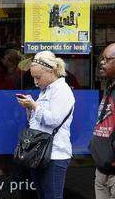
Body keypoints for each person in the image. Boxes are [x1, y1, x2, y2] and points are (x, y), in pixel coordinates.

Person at [16, 50, 74, 199]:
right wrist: (30, 108)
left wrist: (35, 106)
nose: (35, 82)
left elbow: (54, 120)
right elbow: (35, 123)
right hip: (40, 153)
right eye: (34, 77)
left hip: (55, 154)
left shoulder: (62, 90)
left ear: (51, 71)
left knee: (52, 196)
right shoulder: (45, 91)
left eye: (38, 77)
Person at [91, 43, 115, 198]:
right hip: (102, 167)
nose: (102, 62)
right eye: (102, 59)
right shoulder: (109, 85)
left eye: (107, 59)